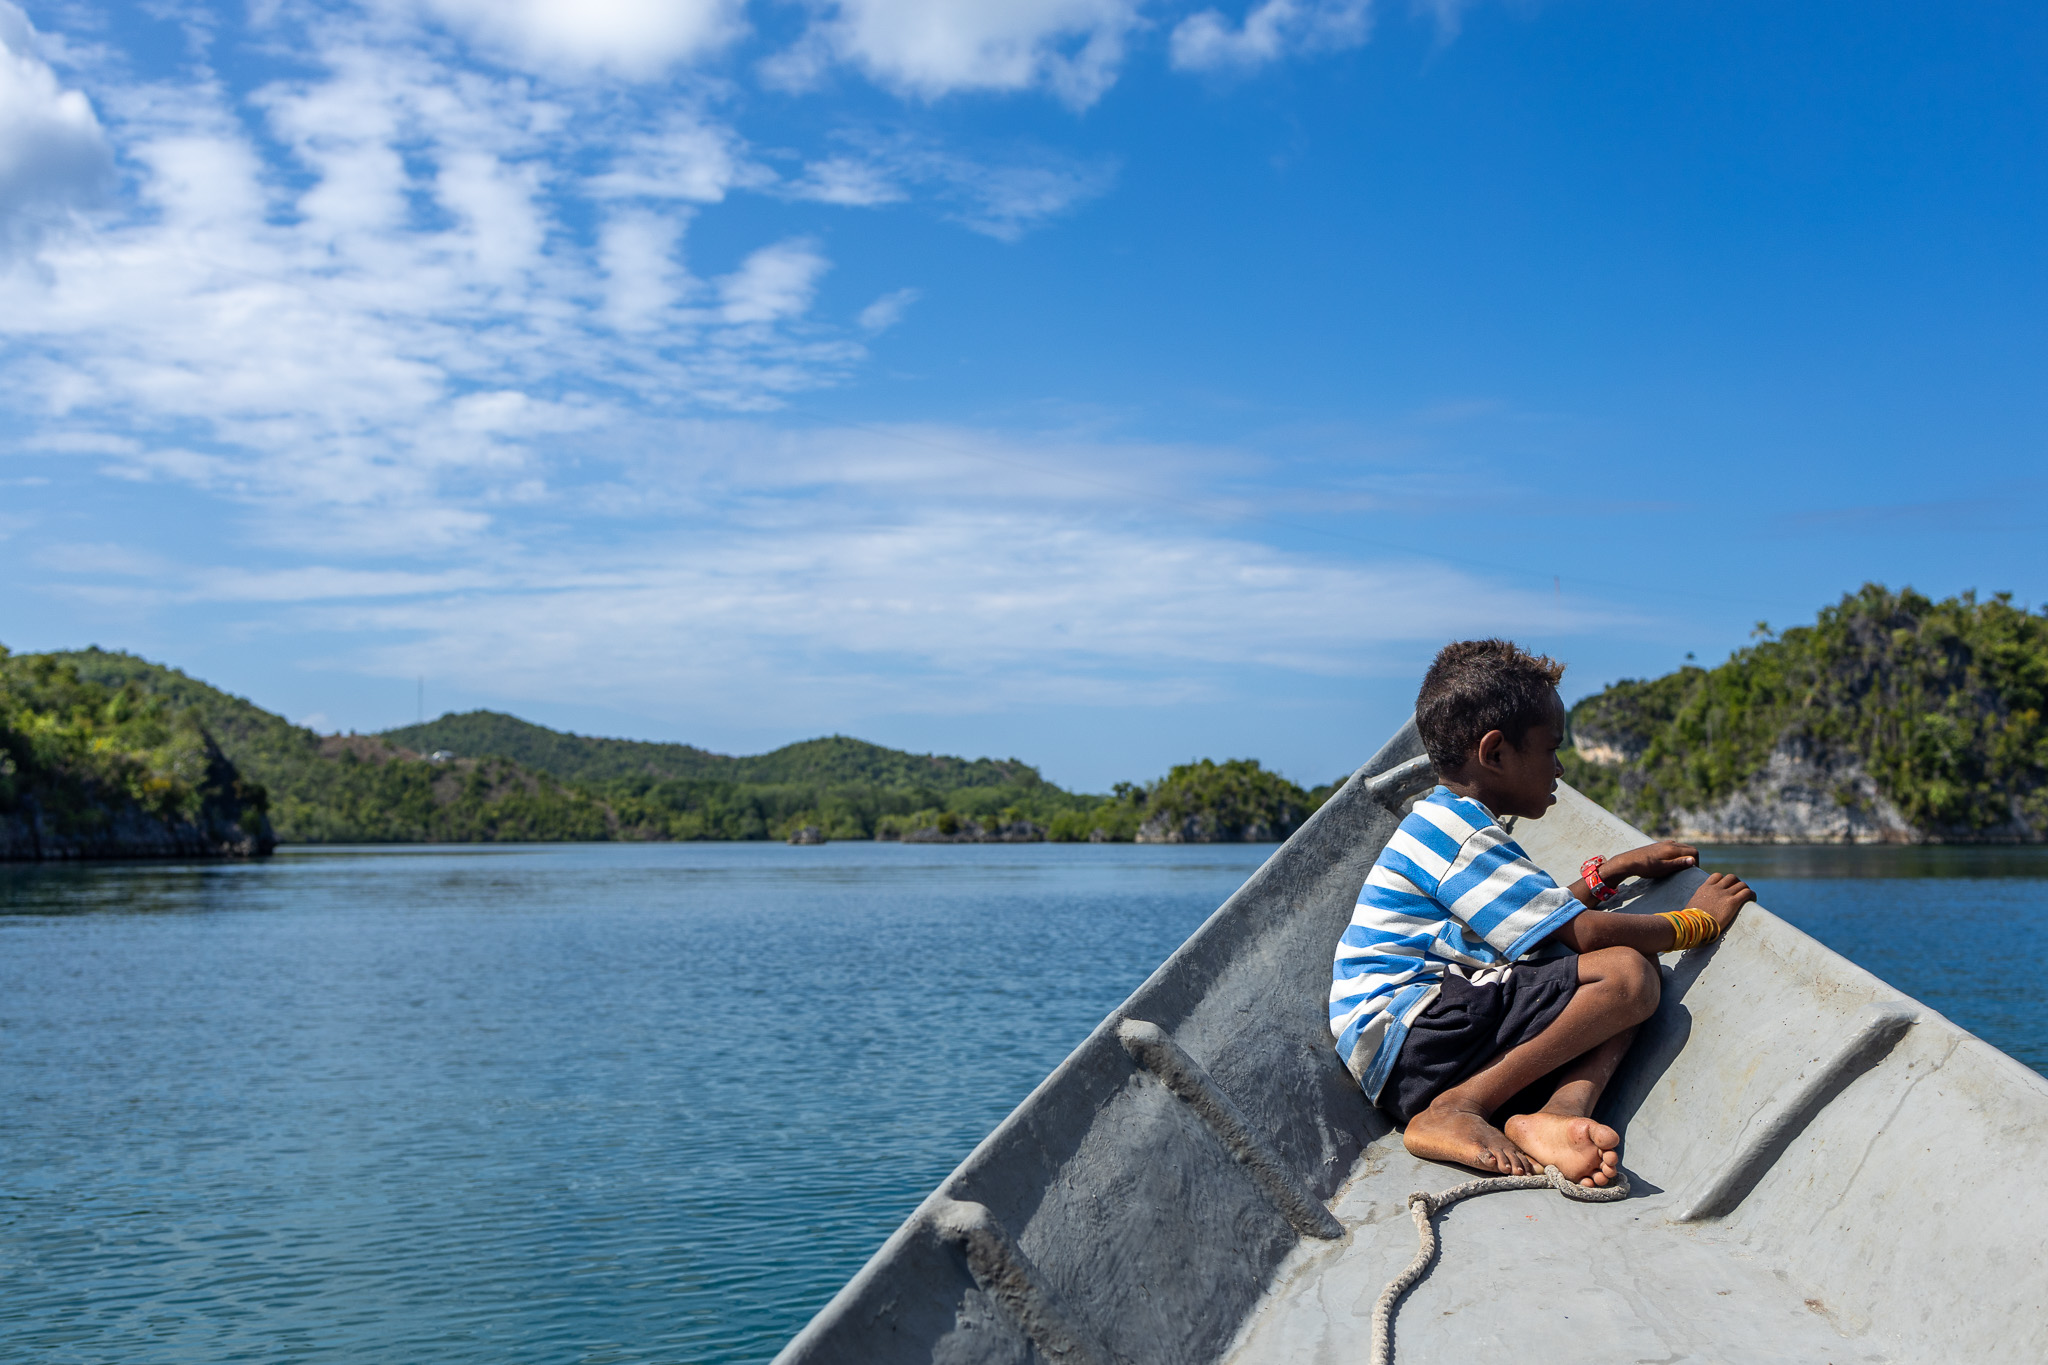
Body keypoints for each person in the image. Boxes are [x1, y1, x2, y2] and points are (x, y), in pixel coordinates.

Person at [1329, 639, 1755, 1187]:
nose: (1559, 767)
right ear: (1496, 753)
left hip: (1424, 1040)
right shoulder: (1457, 836)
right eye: (1551, 749)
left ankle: (1557, 1117)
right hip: (1409, 1035)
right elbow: (1582, 933)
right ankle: (1455, 1110)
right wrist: (1697, 923)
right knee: (1624, 971)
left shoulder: (1451, 824)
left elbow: (1538, 924)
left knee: (1627, 976)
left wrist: (1611, 874)